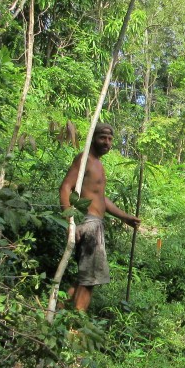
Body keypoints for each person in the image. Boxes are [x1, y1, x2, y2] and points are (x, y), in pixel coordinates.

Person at [59, 123, 141, 312]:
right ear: (93, 138)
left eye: (110, 139)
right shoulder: (85, 159)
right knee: (89, 280)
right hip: (88, 223)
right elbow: (65, 187)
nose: (107, 142)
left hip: (95, 225)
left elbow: (100, 198)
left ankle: (58, 314)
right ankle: (75, 328)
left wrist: (125, 217)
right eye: (102, 137)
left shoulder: (98, 164)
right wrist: (70, 222)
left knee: (84, 278)